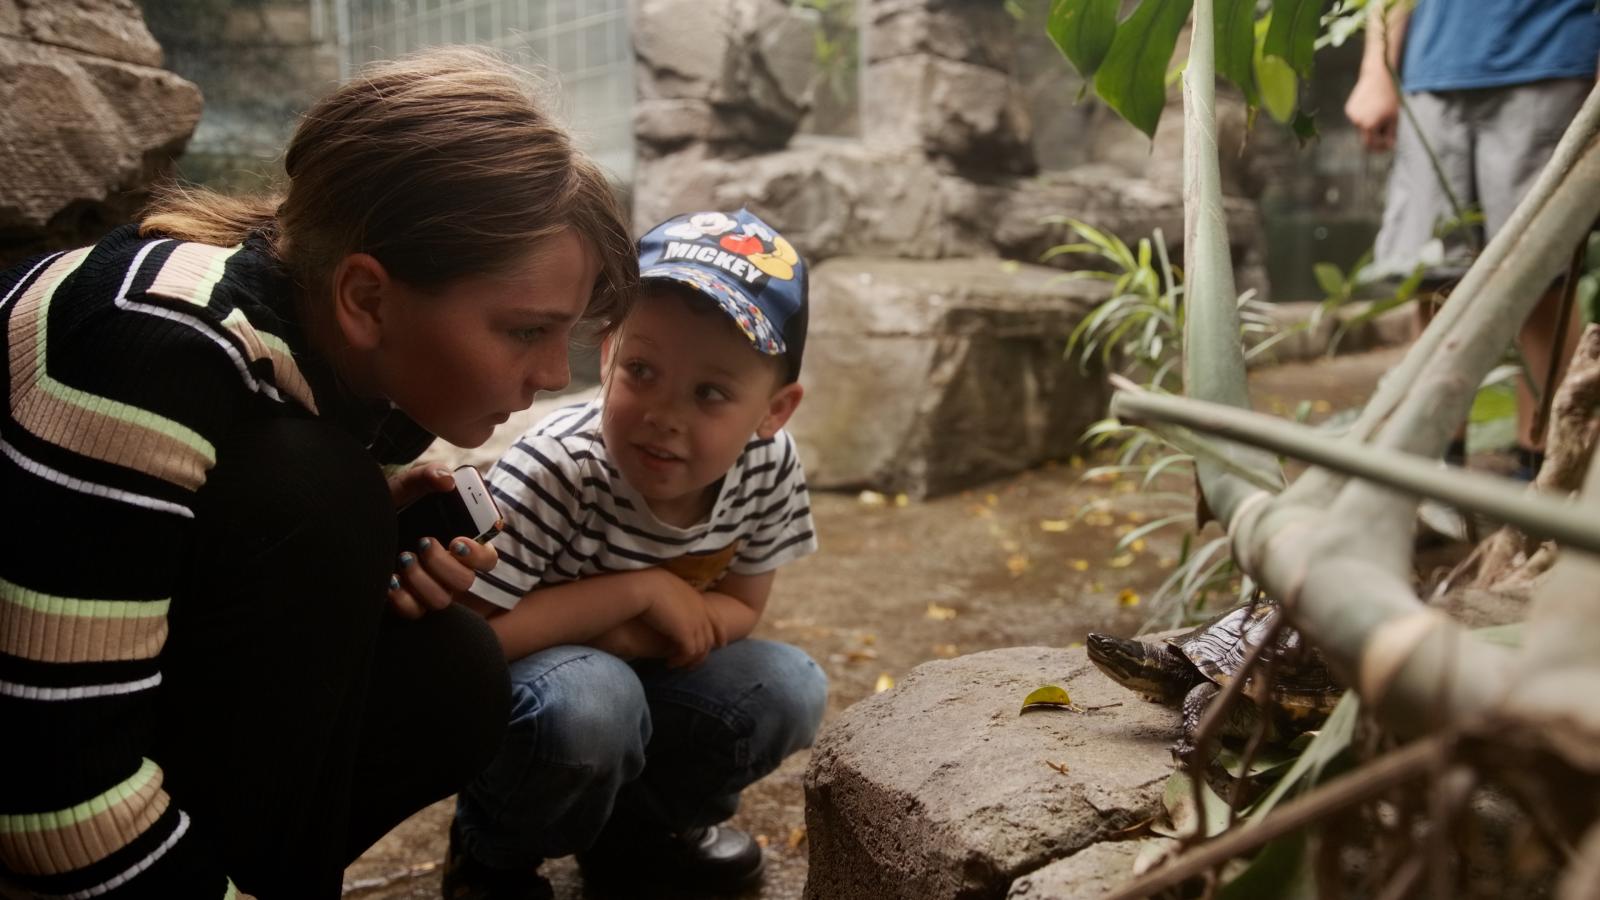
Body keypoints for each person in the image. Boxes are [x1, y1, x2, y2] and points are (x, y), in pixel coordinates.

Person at [0, 47, 637, 900]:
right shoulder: (150, 348)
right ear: (367, 299)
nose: (556, 373)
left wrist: (360, 553)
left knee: (448, 673)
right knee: (317, 495)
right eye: (525, 330)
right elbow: (52, 792)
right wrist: (334, 522)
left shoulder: (314, 357)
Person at [442, 208, 829, 900]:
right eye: (642, 370)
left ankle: (641, 836)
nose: (664, 413)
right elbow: (473, 642)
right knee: (595, 701)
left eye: (711, 393)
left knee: (789, 684)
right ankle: (493, 853)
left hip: (647, 673)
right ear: (610, 347)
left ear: (775, 410)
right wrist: (638, 594)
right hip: (542, 694)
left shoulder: (769, 464)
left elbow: (741, 606)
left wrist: (639, 632)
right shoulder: (556, 468)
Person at [1345, 0, 1600, 476]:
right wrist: (1377, 68)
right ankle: (1429, 477)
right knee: (1432, 280)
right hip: (1431, 68)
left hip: (1550, 56)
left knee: (1540, 279)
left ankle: (1543, 480)